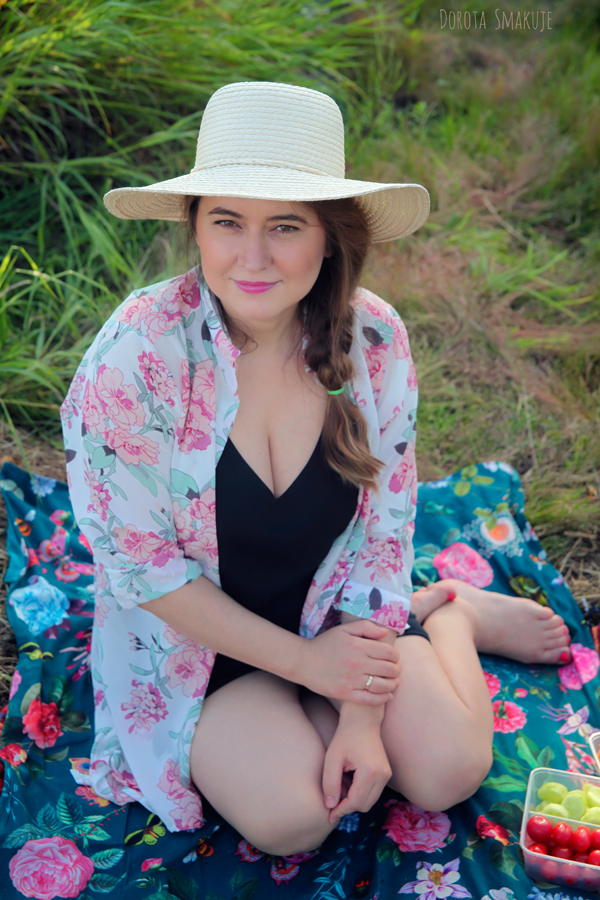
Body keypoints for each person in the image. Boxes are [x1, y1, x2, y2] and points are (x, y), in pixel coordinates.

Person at [60, 81, 572, 856]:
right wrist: (309, 668)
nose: (253, 257)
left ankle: (450, 616)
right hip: (205, 652)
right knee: (294, 819)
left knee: (449, 771)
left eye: (286, 226)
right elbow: (143, 570)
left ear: (329, 237)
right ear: (194, 225)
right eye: (227, 221)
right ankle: (372, 656)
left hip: (333, 612)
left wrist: (361, 708)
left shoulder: (374, 340)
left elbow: (385, 528)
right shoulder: (136, 356)